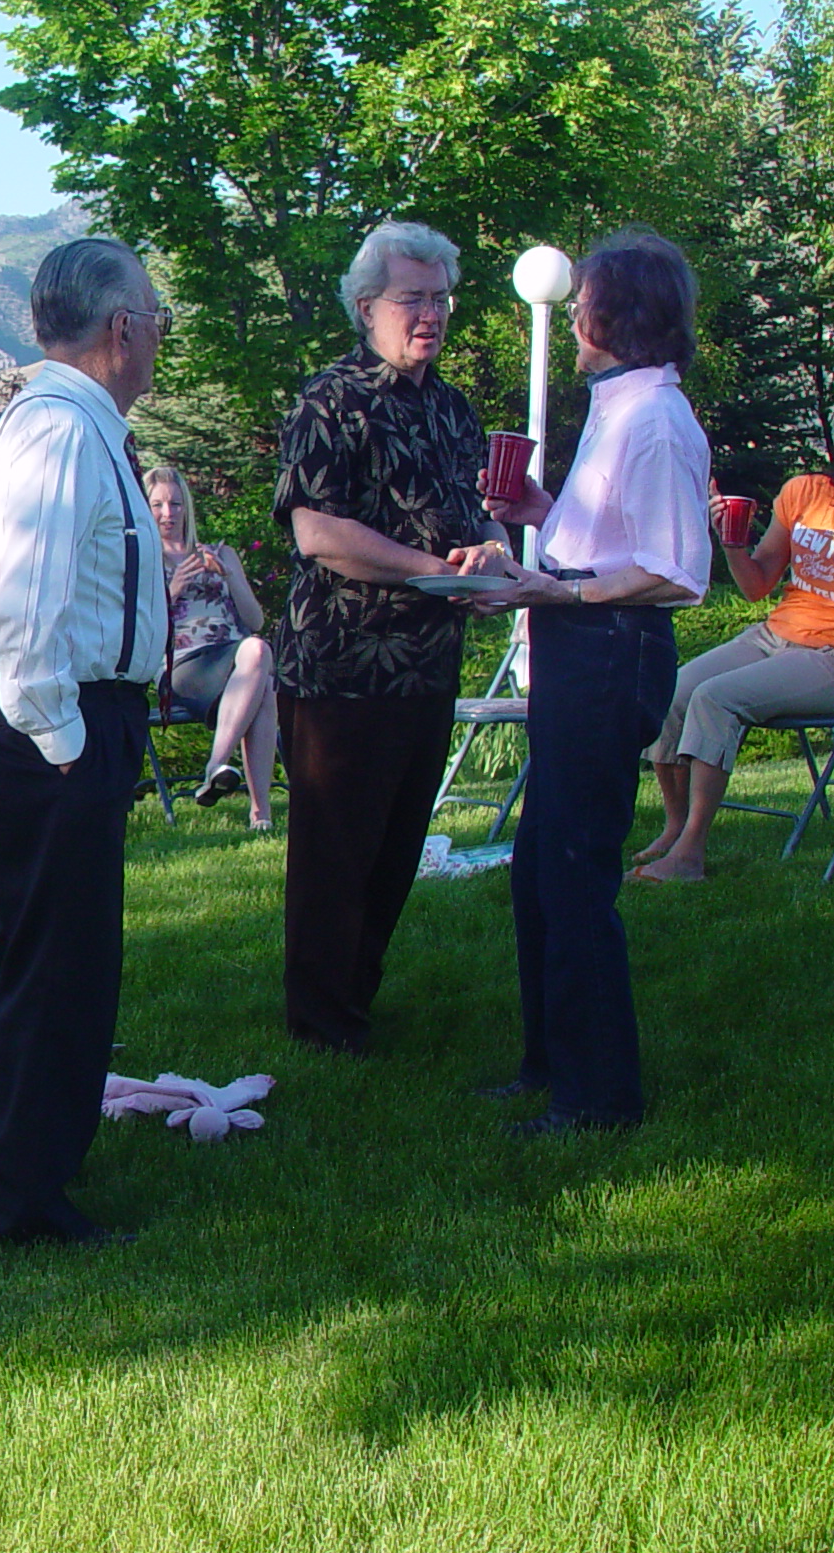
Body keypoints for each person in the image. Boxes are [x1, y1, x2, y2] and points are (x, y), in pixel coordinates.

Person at [0, 237, 167, 1248]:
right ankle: (24, 1202)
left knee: (23, 952)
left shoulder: (56, 423)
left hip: (42, 718)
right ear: (121, 328)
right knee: (60, 969)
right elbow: (24, 605)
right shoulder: (62, 432)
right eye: (155, 318)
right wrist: (65, 737)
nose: (159, 337)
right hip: (53, 722)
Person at [475, 229, 712, 1135]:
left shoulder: (654, 419)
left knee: (574, 874)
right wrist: (540, 515)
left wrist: (553, 584)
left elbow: (677, 568)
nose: (573, 312)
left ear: (620, 316)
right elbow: (609, 535)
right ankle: (551, 1064)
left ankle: (599, 1095)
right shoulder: (621, 408)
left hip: (613, 652)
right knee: (540, 867)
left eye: (586, 300)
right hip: (584, 645)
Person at [271, 219, 506, 1057]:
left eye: (441, 299)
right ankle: (321, 1021)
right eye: (413, 298)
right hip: (341, 666)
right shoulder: (329, 399)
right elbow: (316, 532)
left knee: (398, 848)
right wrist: (427, 569)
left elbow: (477, 515)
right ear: (366, 305)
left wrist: (489, 557)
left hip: (428, 668)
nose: (431, 314)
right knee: (337, 854)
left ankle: (356, 997)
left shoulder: (451, 408)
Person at [632, 393, 834, 884]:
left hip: (832, 658)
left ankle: (690, 853)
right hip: (773, 635)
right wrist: (731, 542)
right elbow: (756, 585)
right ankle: (674, 828)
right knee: (672, 691)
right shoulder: (806, 493)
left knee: (716, 699)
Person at [142, 464, 277, 829]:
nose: (168, 514)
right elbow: (140, 627)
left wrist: (228, 575)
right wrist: (173, 589)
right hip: (182, 665)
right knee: (260, 666)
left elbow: (255, 621)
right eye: (157, 505)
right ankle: (243, 793)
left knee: (259, 663)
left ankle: (241, 793)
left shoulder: (220, 553)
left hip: (232, 658)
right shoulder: (144, 559)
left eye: (175, 504)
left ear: (187, 507)